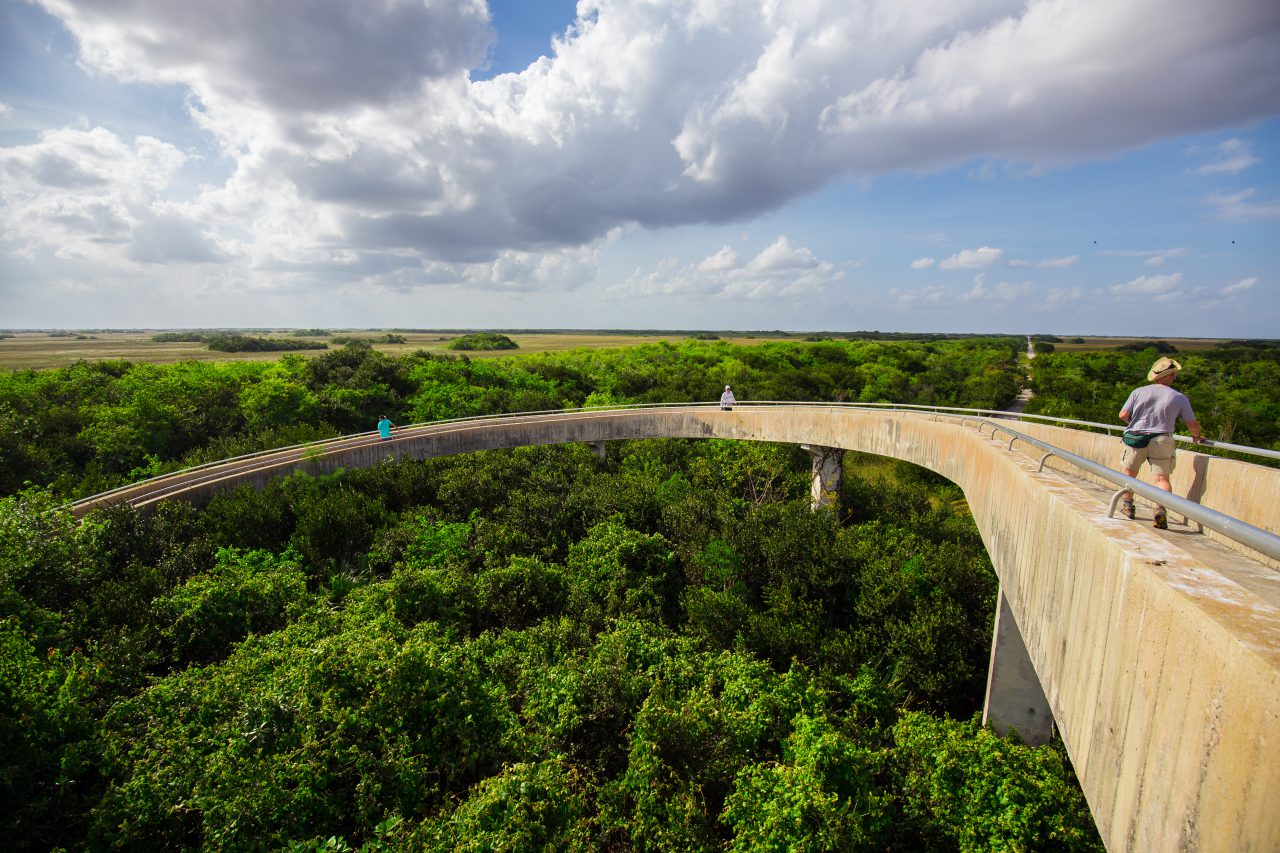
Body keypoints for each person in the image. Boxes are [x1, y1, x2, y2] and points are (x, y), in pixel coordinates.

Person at [1117, 357, 1205, 529]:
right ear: (1171, 376)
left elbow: (1122, 414)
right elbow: (1192, 424)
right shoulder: (1179, 397)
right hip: (1162, 438)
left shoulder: (1138, 391)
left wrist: (1132, 424)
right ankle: (1160, 511)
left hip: (1136, 437)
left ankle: (1128, 507)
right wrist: (1197, 436)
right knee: (1162, 479)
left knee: (1129, 473)